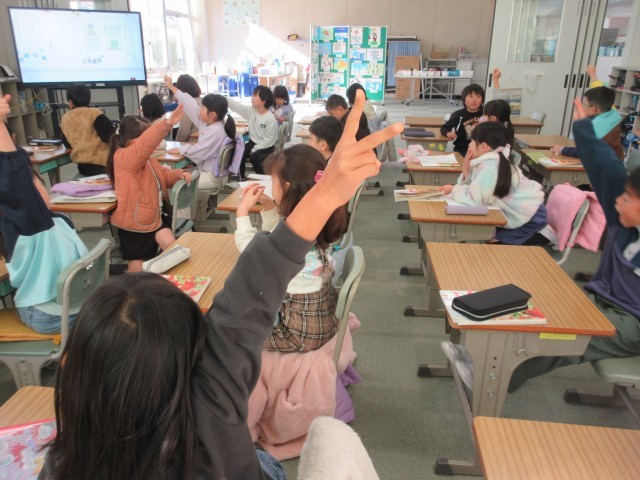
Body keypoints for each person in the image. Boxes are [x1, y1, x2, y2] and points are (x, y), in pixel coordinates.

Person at [39, 90, 403, 480]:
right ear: (197, 354)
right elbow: (249, 292)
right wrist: (326, 195)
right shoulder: (211, 403)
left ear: (70, 367)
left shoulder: (63, 462)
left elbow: (248, 293)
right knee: (266, 463)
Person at [509, 98, 640, 392]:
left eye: (628, 199)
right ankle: (496, 365)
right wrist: (583, 131)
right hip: (603, 299)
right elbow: (607, 169)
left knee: (563, 335)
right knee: (540, 310)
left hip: (634, 325)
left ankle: (500, 374)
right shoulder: (623, 219)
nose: (618, 201)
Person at [235, 144, 347, 352]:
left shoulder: (296, 232)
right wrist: (269, 206)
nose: (270, 186)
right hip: (318, 321)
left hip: (298, 335)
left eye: (273, 182)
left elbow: (253, 252)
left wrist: (242, 212)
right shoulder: (313, 219)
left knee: (232, 333)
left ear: (286, 187)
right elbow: (277, 241)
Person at [0, 94, 88, 334]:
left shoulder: (52, 222)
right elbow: (12, 178)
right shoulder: (33, 225)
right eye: (35, 183)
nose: (43, 186)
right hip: (48, 312)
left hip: (61, 306)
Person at [107, 110, 192, 273]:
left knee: (172, 248)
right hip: (134, 224)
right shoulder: (124, 157)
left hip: (154, 217)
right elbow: (145, 144)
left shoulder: (146, 159)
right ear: (134, 141)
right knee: (136, 269)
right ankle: (135, 287)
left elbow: (163, 175)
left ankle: (167, 281)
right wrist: (166, 125)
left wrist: (178, 174)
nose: (155, 144)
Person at [441, 122, 548, 245]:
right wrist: (466, 170)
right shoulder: (492, 160)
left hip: (531, 220)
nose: (469, 145)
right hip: (527, 213)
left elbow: (476, 200)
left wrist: (454, 190)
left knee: (490, 242)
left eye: (472, 141)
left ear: (483, 146)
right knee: (486, 235)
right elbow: (478, 189)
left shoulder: (490, 167)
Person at [164, 75, 240, 190]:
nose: (200, 109)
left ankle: (183, 203)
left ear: (212, 115)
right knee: (178, 174)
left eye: (203, 107)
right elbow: (189, 104)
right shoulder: (208, 123)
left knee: (177, 182)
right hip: (208, 172)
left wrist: (181, 149)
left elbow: (199, 151)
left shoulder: (216, 131)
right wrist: (171, 86)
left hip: (212, 177)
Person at [551, 86, 624, 160]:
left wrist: (561, 150)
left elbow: (583, 151)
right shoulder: (611, 114)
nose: (581, 107)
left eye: (584, 104)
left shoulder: (596, 127)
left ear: (594, 109)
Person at [60, 84, 115, 176]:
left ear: (70, 102)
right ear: (89, 100)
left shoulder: (65, 118)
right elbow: (111, 137)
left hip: (83, 167)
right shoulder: (95, 113)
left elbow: (67, 143)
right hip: (104, 165)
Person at [228, 85, 278, 177]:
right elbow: (237, 107)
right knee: (239, 152)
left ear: (264, 100)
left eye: (255, 95)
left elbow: (269, 140)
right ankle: (241, 177)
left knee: (254, 157)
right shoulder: (252, 111)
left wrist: (254, 149)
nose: (252, 98)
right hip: (253, 141)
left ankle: (263, 178)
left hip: (267, 145)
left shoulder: (270, 119)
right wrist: (224, 99)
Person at [440, 83, 484, 156]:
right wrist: (448, 133)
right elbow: (444, 128)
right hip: (462, 150)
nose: (474, 100)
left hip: (482, 151)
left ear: (482, 100)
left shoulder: (485, 114)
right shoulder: (458, 114)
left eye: (478, 97)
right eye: (471, 96)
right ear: (464, 99)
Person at [173, 74, 203, 142]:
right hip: (205, 141)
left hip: (193, 143)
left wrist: (175, 143)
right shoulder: (204, 101)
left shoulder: (186, 105)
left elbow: (184, 132)